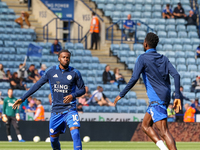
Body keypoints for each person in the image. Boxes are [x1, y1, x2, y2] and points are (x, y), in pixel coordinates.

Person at [114, 32, 181, 150]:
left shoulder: (142, 58)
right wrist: (177, 96)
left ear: (145, 44)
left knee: (164, 132)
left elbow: (135, 78)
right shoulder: (164, 58)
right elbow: (176, 75)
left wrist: (121, 94)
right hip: (164, 96)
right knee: (145, 126)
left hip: (157, 98)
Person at [13, 49, 85, 150]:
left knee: (76, 132)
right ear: (59, 58)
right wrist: (22, 98)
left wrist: (73, 95)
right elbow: (37, 85)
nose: (66, 59)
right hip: (56, 111)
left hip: (70, 109)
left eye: (67, 57)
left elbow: (82, 90)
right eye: (63, 57)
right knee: (53, 140)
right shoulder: (51, 72)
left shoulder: (75, 72)